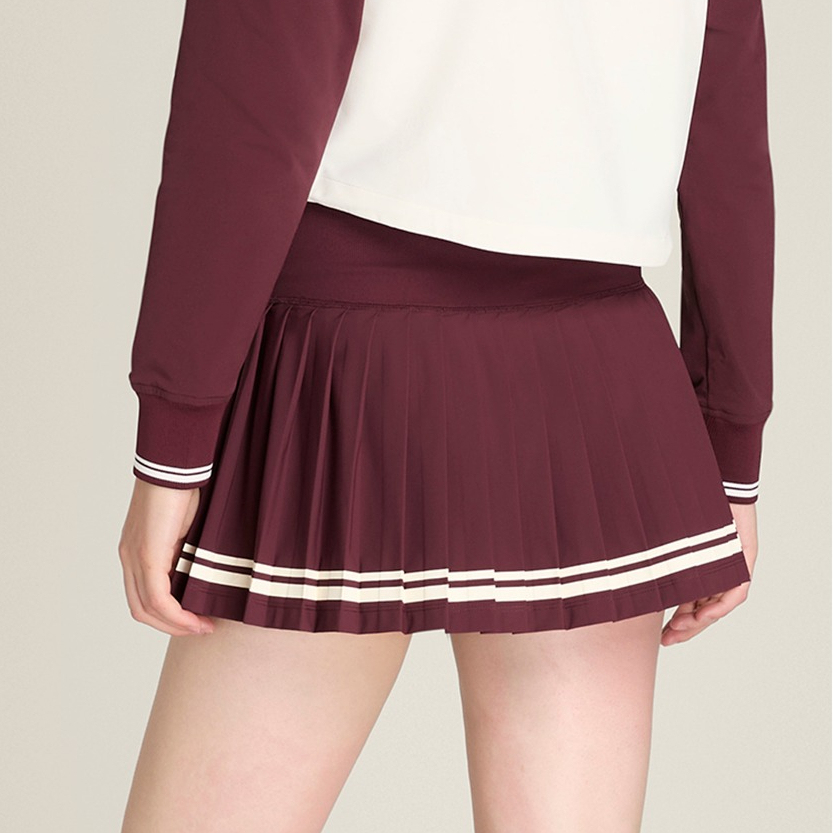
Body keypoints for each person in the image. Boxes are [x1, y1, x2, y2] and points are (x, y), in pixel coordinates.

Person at [118, 0, 774, 830]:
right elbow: (727, 136)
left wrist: (175, 436)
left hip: (347, 371)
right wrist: (730, 450)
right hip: (595, 379)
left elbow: (250, 101)